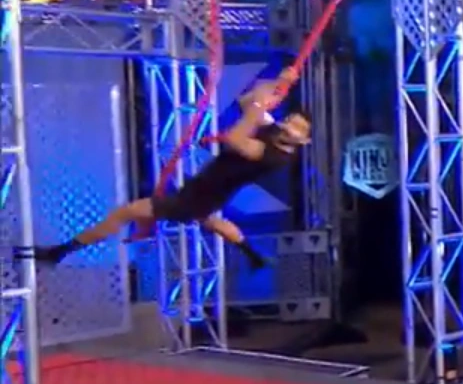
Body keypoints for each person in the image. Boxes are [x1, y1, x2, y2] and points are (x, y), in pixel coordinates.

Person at [23, 70, 307, 269]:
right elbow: (247, 101)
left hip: (200, 195)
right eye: (292, 120)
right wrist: (278, 83)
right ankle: (253, 256)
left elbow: (235, 138)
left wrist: (259, 105)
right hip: (209, 190)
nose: (290, 126)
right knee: (209, 219)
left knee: (127, 212)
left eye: (298, 128)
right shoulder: (274, 133)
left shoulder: (275, 156)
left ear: (303, 140)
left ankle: (61, 252)